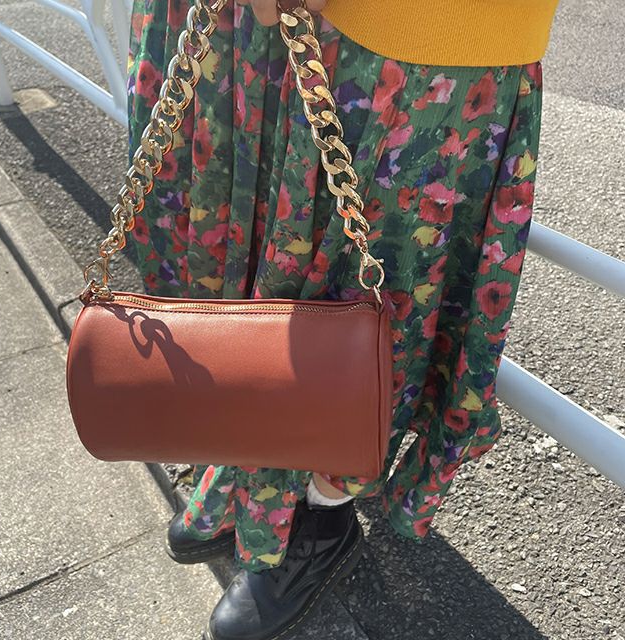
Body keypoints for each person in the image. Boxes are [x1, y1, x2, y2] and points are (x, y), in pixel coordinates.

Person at [126, 1, 560, 638]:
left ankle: (321, 517)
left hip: (436, 52)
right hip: (338, 38)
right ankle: (263, 484)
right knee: (300, 296)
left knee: (373, 323)